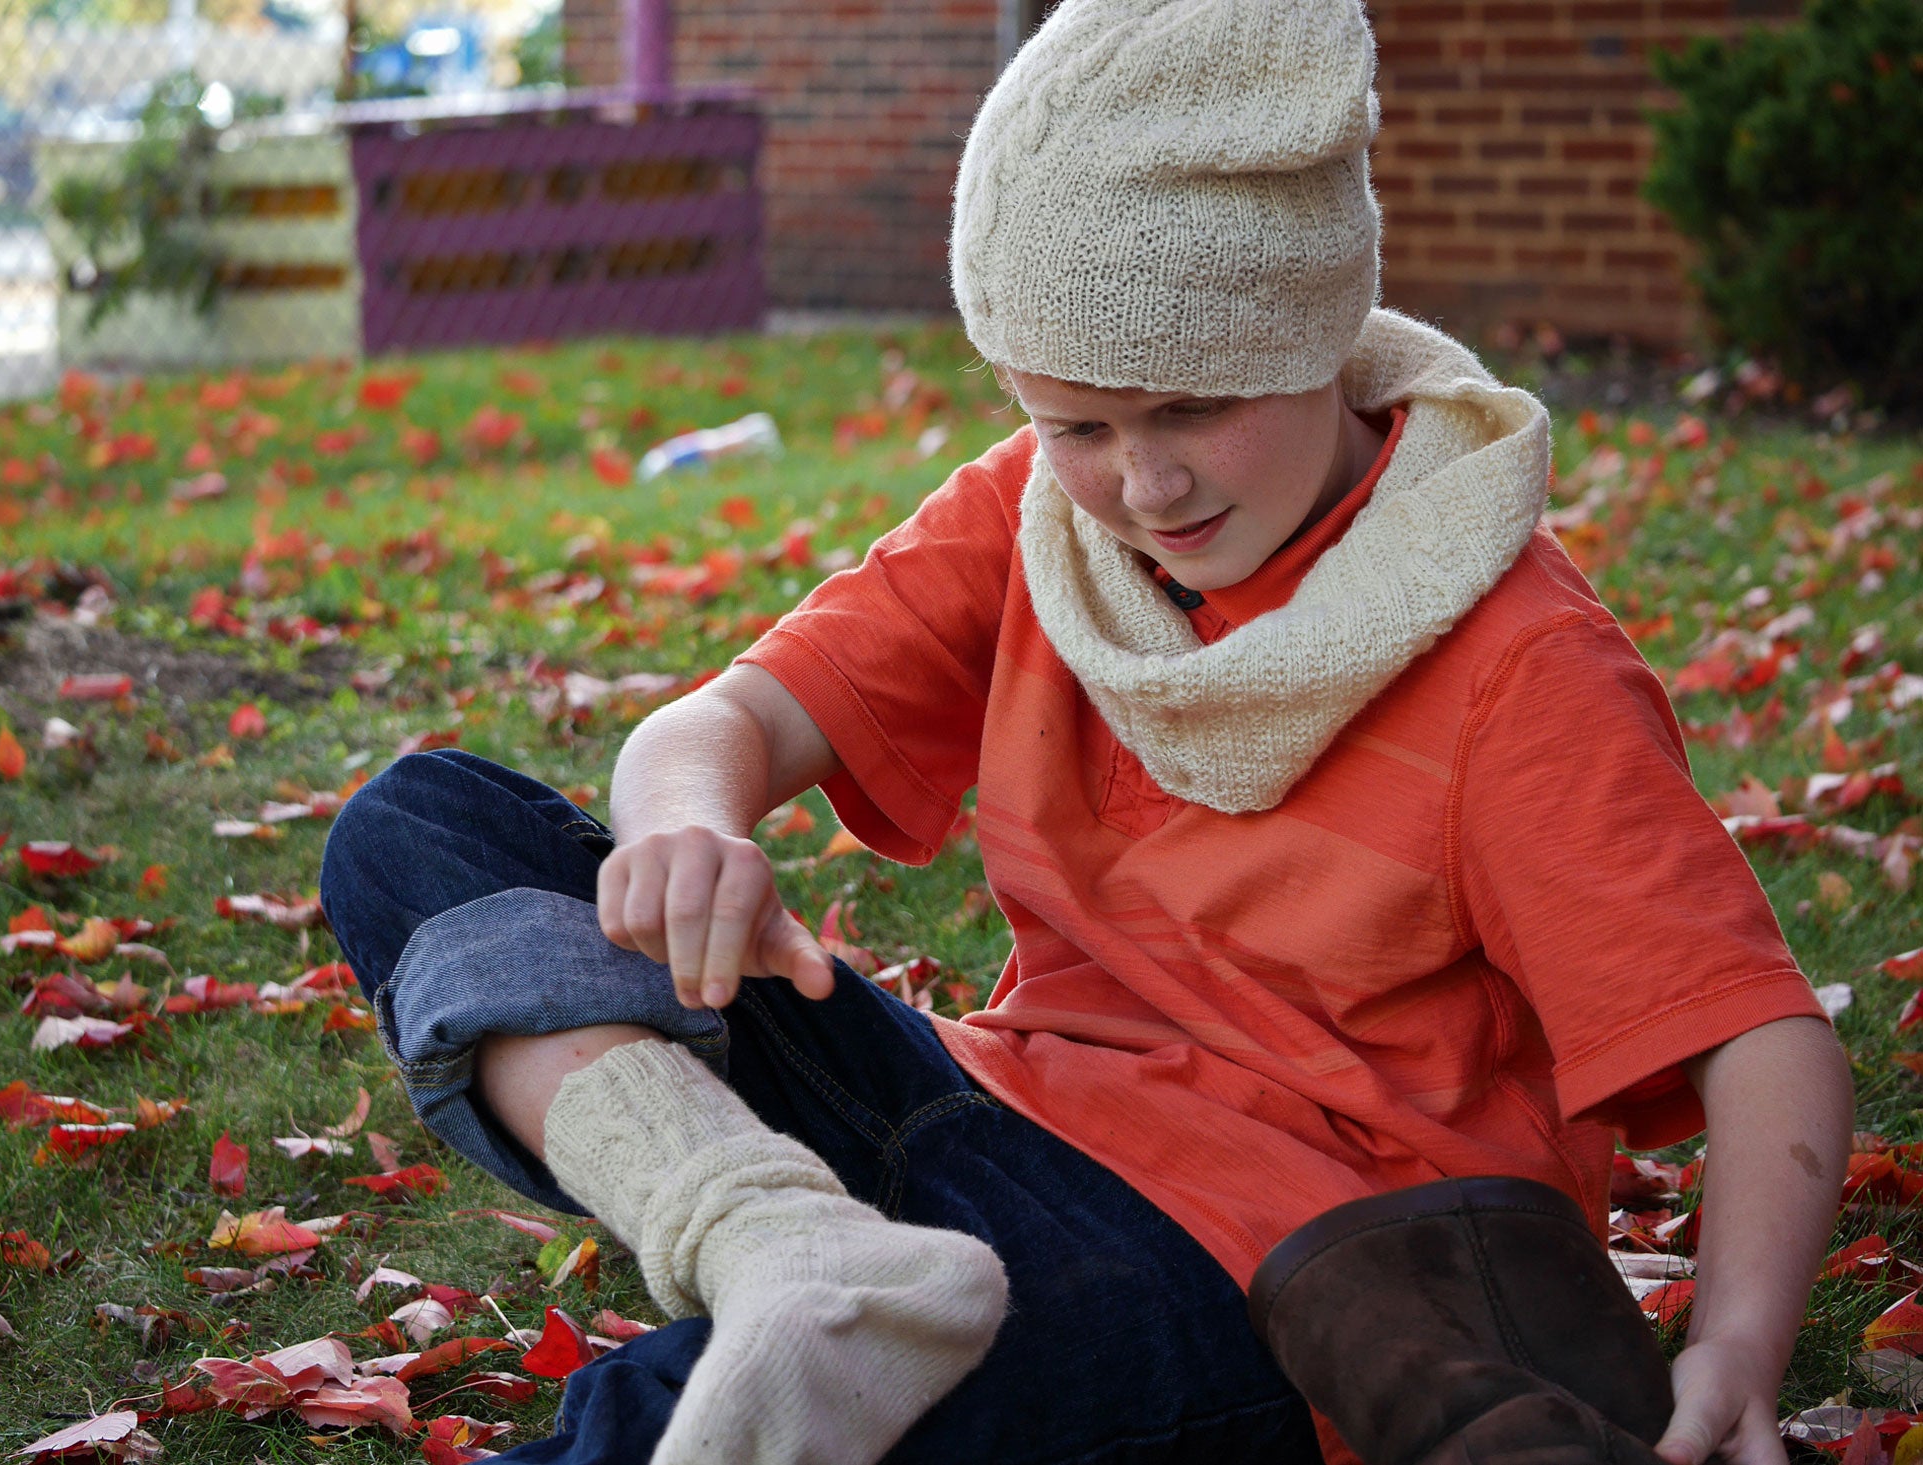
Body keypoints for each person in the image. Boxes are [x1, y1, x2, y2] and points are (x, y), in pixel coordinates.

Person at [318, 2, 1855, 1463]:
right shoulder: (1046, 519)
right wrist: (689, 828)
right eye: (1079, 422)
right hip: (984, 1107)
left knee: (723, 1412)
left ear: (1313, 331)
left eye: (1191, 408)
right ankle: (771, 1237)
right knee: (425, 822)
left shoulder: (1513, 658)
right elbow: (716, 723)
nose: (1143, 486)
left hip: (1269, 1269)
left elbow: (1758, 1033)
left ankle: (821, 1318)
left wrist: (1732, 1346)